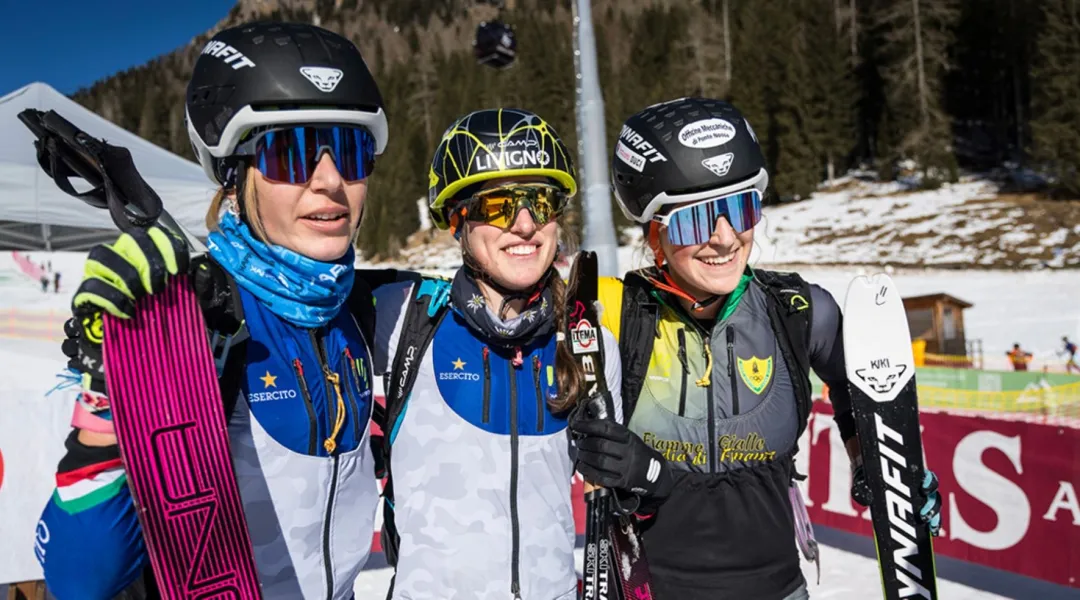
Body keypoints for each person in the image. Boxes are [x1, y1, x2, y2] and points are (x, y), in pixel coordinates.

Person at [36, 22, 389, 599]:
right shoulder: (198, 321)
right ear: (234, 173)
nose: (331, 182)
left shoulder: (365, 311)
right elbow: (81, 578)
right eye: (292, 152)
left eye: (350, 151)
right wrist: (111, 387)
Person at [569, 97, 942, 599]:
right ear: (654, 232)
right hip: (646, 590)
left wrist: (878, 467)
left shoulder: (798, 312)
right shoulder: (610, 313)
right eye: (696, 220)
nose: (724, 239)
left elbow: (861, 392)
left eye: (739, 208)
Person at [372, 107, 622, 599]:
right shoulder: (403, 318)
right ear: (456, 219)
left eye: (541, 202)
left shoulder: (589, 342)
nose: (525, 225)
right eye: (498, 206)